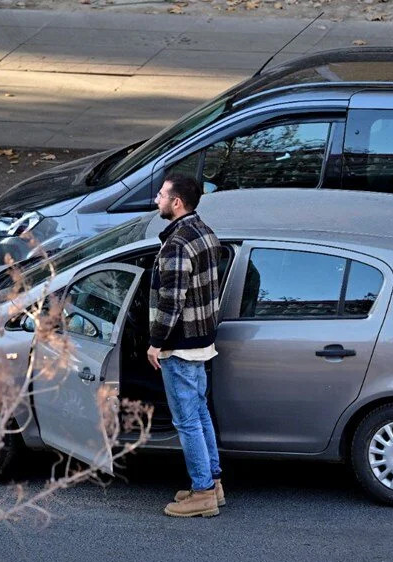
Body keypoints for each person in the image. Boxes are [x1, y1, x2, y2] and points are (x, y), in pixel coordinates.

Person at [147, 174, 225, 518]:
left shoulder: (177, 244)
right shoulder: (205, 231)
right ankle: (213, 482)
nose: (156, 200)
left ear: (177, 202)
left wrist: (155, 343)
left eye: (161, 195)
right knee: (200, 413)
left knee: (187, 421)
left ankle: (203, 493)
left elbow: (171, 302)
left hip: (180, 345)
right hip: (202, 340)